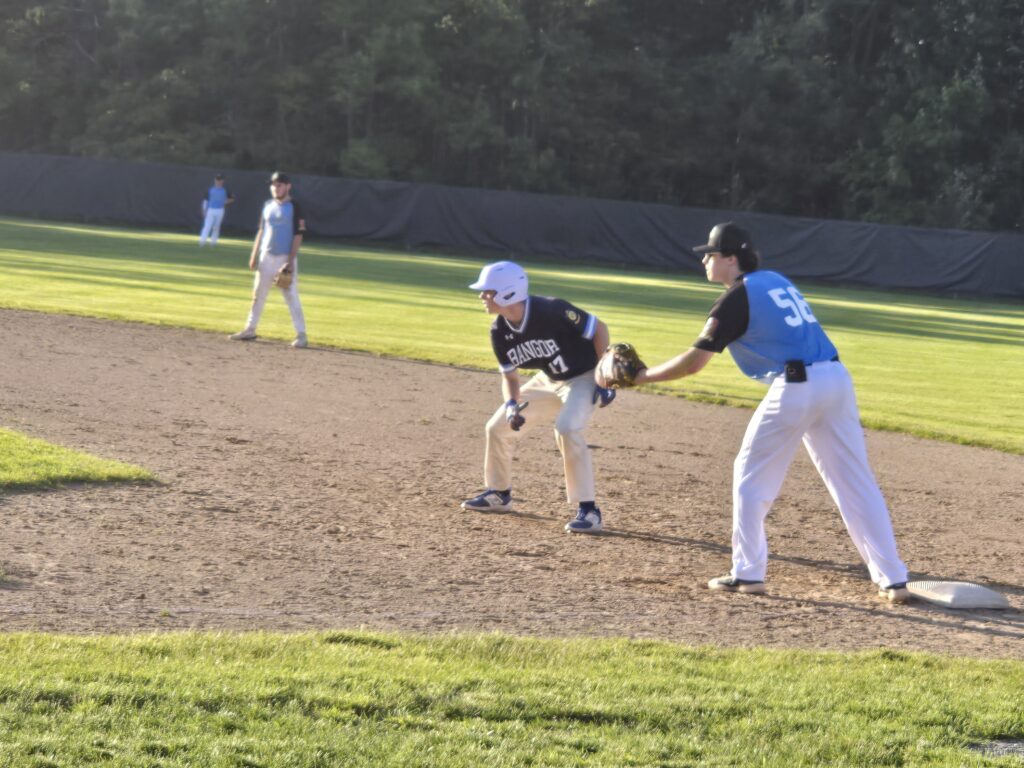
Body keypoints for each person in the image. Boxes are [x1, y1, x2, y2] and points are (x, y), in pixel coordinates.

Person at [605, 222, 910, 602]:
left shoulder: (737, 297)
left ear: (731, 258)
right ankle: (893, 578)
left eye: (711, 254)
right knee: (854, 482)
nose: (704, 260)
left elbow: (694, 364)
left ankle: (747, 572)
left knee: (751, 478)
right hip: (837, 381)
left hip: (798, 386)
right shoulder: (775, 279)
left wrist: (641, 376)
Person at [461, 261, 617, 533]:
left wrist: (603, 377)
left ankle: (589, 511)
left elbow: (599, 329)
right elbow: (510, 377)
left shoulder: (552, 310)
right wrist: (511, 405)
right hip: (548, 381)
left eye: (488, 291)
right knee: (497, 427)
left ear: (507, 293)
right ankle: (499, 494)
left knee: (567, 428)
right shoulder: (500, 331)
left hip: (584, 377)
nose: (482, 297)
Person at [229, 171, 308, 348]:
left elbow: (298, 235)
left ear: (288, 186)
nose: (275, 187)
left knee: (291, 296)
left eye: (279, 184)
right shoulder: (268, 205)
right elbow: (262, 231)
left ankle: (301, 334)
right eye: (273, 184)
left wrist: (290, 260)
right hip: (266, 257)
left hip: (284, 258)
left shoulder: (295, 207)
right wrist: (254, 254)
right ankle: (250, 329)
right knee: (258, 294)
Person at [198, 173, 235, 246]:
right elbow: (206, 200)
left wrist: (226, 202)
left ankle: (213, 243)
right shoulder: (210, 190)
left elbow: (232, 198)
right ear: (215, 180)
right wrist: (204, 210)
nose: (218, 181)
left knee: (216, 227)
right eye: (217, 180)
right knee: (207, 226)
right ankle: (202, 242)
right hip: (210, 210)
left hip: (220, 210)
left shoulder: (225, 190)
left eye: (220, 180)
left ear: (222, 181)